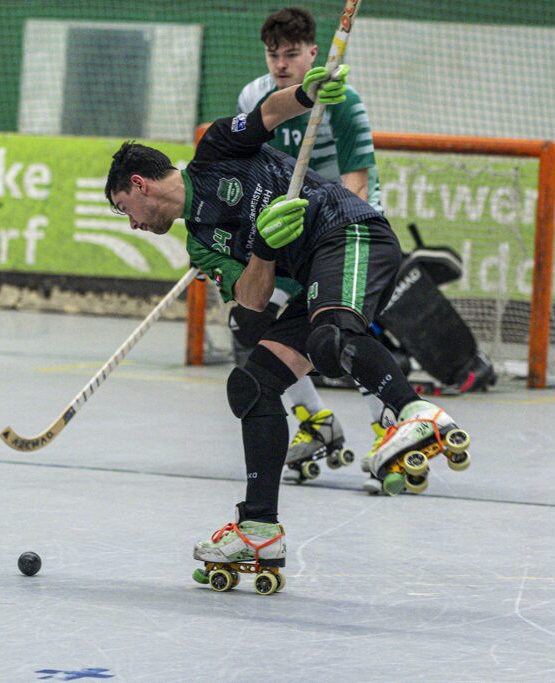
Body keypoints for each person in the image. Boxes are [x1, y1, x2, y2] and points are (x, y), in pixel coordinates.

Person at [105, 64, 471, 584]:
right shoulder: (199, 243)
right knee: (252, 384)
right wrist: (262, 247)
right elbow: (253, 299)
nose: (136, 225)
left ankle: (417, 415)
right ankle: (258, 528)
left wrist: (305, 92)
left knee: (330, 336)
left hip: (350, 232)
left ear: (138, 185)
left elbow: (269, 114)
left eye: (127, 210)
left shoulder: (214, 152)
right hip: (312, 268)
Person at [226, 6, 492, 485]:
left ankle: (387, 427)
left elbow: (357, 183)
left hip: (345, 225)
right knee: (249, 319)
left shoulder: (342, 100)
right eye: (273, 55)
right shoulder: (255, 96)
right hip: (289, 229)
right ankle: (315, 421)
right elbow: (249, 164)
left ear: (313, 52)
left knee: (340, 328)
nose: (281, 65)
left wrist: (320, 240)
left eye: (292, 54)